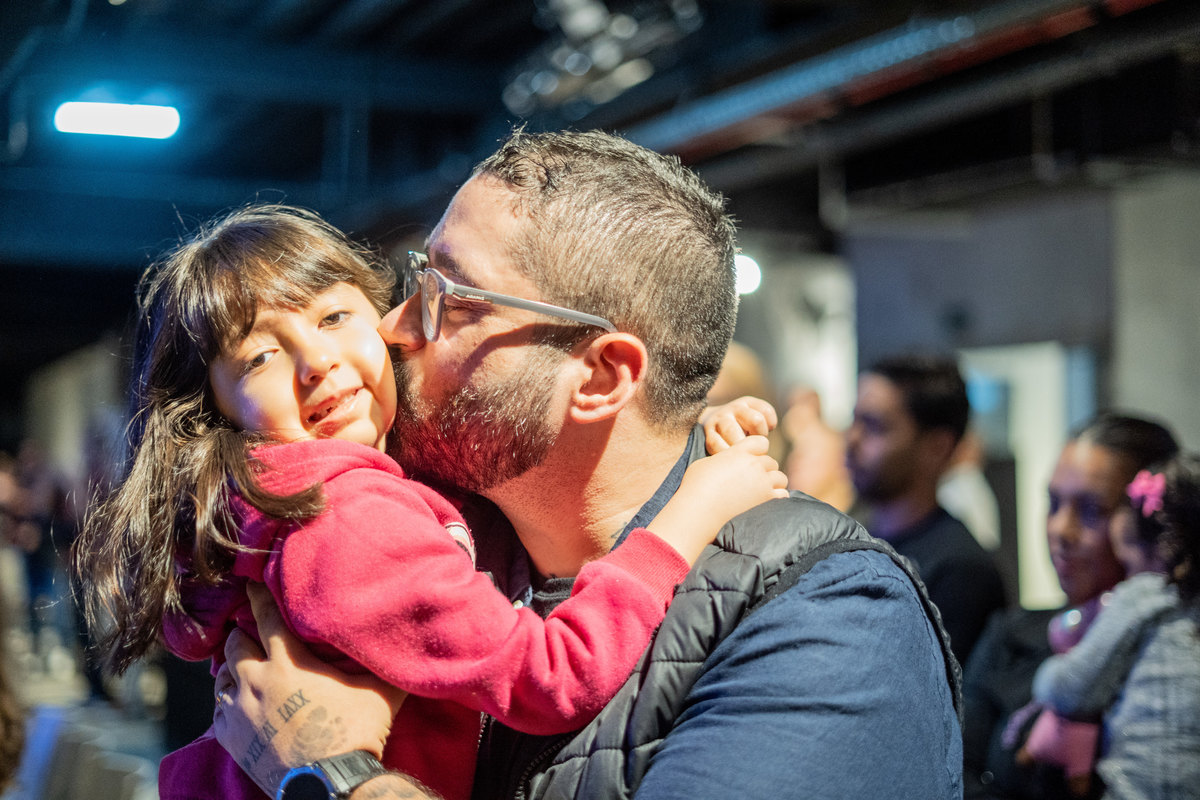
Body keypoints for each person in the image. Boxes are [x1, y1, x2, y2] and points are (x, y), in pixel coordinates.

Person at [212, 129, 964, 800]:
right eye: (417, 280)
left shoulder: (830, 622)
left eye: (451, 298)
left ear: (601, 377)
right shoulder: (436, 537)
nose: (391, 327)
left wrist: (334, 776)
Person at [71, 204, 788, 800]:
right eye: (258, 357)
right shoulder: (342, 515)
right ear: (217, 412)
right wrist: (692, 509)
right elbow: (550, 673)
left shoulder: (335, 488)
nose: (315, 362)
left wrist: (668, 430)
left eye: (332, 317)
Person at [962, 412, 1180, 800]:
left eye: (1092, 510)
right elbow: (954, 770)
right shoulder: (1011, 634)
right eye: (1053, 503)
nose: (1061, 529)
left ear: (1150, 524)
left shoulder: (1170, 659)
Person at [1024, 456, 1200, 800]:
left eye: (1129, 564)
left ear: (1159, 549)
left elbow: (1072, 689)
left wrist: (1047, 674)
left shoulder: (1144, 594)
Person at [846, 354, 1007, 666]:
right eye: (854, 420)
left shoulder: (962, 571)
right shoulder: (850, 540)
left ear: (937, 448)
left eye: (874, 426)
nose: (852, 439)